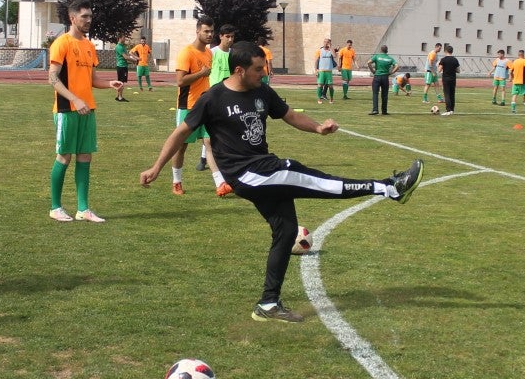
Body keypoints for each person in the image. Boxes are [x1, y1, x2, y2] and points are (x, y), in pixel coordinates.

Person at [140, 41, 424, 323]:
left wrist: (317, 128)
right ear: (238, 70)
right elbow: (180, 133)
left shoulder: (261, 91)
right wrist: (156, 167)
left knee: (286, 231)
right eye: (257, 69)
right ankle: (390, 187)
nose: (263, 73)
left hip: (263, 169)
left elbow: (288, 115)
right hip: (247, 174)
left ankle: (268, 303)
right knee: (316, 180)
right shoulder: (213, 98)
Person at [46, 0, 125, 222]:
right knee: (64, 156)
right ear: (73, 18)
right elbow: (52, 78)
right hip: (66, 109)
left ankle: (83, 209)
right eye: (85, 17)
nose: (89, 20)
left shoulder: (90, 47)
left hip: (87, 109)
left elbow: (92, 80)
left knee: (85, 156)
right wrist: (75, 100)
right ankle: (55, 207)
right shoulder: (61, 43)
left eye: (90, 16)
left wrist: (109, 84)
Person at [171, 17, 219, 195]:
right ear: (197, 31)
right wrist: (201, 73)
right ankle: (176, 181)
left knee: (209, 142)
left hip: (205, 106)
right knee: (181, 145)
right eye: (206, 31)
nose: (209, 34)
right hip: (187, 106)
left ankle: (220, 183)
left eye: (211, 31)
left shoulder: (209, 53)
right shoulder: (187, 53)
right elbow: (180, 81)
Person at [198, 24, 236, 196]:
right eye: (227, 36)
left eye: (232, 37)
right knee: (208, 141)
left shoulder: (234, 55)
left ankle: (226, 174)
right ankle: (218, 179)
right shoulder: (211, 53)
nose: (230, 39)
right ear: (220, 36)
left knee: (226, 140)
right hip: (212, 100)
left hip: (230, 101)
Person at [367, 45, 397, 115]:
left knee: (375, 93)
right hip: (385, 77)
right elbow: (397, 66)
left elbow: (369, 62)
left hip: (377, 76)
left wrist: (373, 71)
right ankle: (384, 111)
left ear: (381, 50)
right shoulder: (390, 58)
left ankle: (375, 110)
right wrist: (391, 72)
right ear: (387, 51)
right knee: (385, 94)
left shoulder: (377, 56)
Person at [438, 43, 459, 115]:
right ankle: (452, 110)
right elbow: (458, 71)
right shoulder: (455, 60)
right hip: (453, 79)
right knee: (452, 94)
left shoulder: (443, 60)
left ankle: (448, 110)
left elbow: (439, 70)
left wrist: (439, 64)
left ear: (445, 51)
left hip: (446, 79)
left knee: (446, 94)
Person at [314, 38, 336, 103]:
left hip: (329, 71)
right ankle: (319, 99)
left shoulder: (331, 51)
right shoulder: (319, 51)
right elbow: (316, 61)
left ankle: (331, 99)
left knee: (330, 86)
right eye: (325, 42)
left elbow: (334, 56)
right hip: (321, 71)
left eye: (327, 42)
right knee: (320, 85)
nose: (326, 43)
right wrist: (316, 70)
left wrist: (331, 47)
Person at [112, 37, 134, 102]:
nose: (125, 39)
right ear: (120, 38)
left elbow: (125, 59)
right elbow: (126, 57)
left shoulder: (122, 46)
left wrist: (132, 62)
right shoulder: (119, 47)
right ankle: (120, 97)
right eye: (123, 38)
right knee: (121, 82)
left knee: (120, 82)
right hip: (122, 67)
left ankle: (118, 96)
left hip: (123, 65)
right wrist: (135, 60)